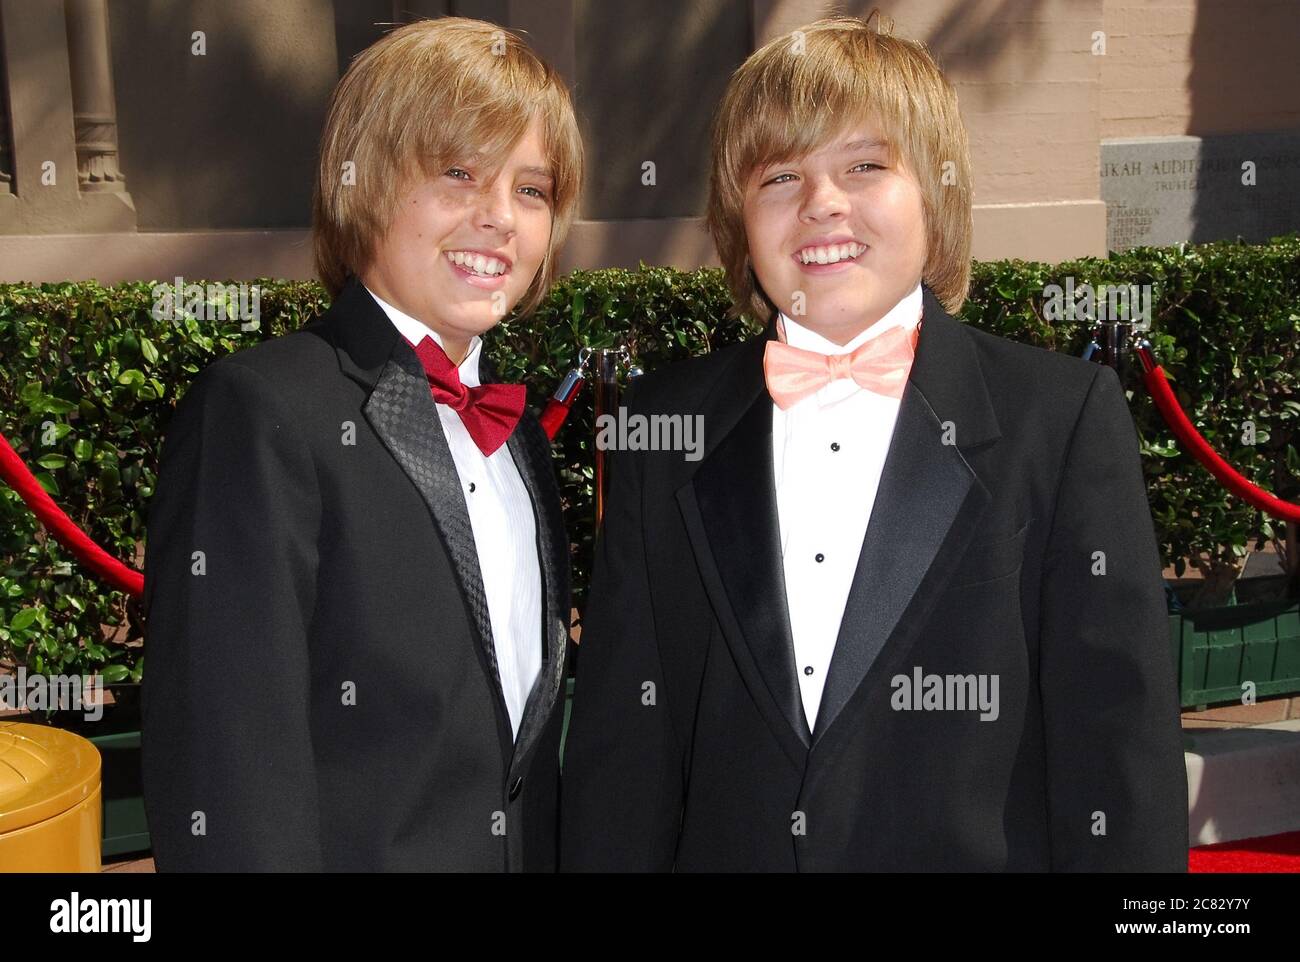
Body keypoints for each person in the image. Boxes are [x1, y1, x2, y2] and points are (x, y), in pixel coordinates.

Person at [560, 13, 1187, 871]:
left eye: (865, 165)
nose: (821, 201)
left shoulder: (1060, 419)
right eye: (779, 175)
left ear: (935, 193)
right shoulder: (662, 432)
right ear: (739, 219)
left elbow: (1117, 746)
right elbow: (623, 755)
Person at [142, 16, 583, 871]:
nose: (499, 217)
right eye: (459, 174)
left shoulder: (520, 431)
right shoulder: (263, 413)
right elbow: (228, 767)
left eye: (531, 190)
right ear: (366, 181)